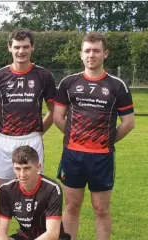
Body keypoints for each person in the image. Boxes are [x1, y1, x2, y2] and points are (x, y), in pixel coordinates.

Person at [53, 32, 135, 240]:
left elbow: (128, 123)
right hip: (73, 156)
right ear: (81, 54)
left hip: (102, 158)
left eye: (96, 50)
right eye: (87, 51)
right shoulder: (68, 83)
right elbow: (58, 117)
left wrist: (105, 140)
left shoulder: (117, 86)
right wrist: (76, 137)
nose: (92, 55)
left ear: (105, 54)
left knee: (101, 209)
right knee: (71, 206)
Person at [0, 28, 56, 192]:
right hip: (5, 140)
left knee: (33, 193)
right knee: (3, 192)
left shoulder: (44, 76)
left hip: (32, 139)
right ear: (9, 47)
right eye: (17, 47)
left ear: (32, 47)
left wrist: (40, 131)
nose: (21, 51)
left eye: (25, 47)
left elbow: (53, 110)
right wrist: (1, 128)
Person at [0, 146, 70, 240]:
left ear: (38, 167)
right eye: (18, 169)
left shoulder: (52, 189)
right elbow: (0, 233)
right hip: (24, 237)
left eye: (27, 168)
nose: (22, 175)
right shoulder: (6, 190)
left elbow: (52, 233)